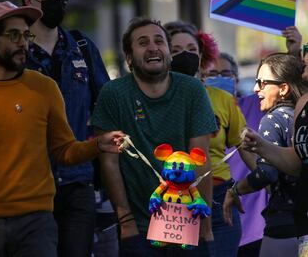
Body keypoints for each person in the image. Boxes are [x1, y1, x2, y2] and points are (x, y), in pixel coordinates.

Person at [0, 1, 125, 257]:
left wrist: (98, 145)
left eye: (26, 34)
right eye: (13, 35)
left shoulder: (44, 88)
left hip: (37, 221)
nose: (23, 43)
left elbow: (64, 151)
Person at [92, 17, 218, 256]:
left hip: (187, 224)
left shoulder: (192, 90)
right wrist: (125, 220)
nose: (153, 47)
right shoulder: (113, 94)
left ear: (169, 53)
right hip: (138, 228)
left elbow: (201, 160)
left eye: (159, 41)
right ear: (129, 57)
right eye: (142, 42)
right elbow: (109, 162)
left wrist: (206, 225)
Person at [20, 0, 111, 257]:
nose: (58, 1)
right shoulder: (16, 54)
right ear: (28, 0)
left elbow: (107, 108)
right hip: (28, 184)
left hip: (78, 181)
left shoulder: (82, 47)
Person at [165, 22, 245, 257]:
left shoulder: (221, 99)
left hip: (221, 200)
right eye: (177, 50)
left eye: (191, 49)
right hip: (175, 199)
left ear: (202, 56)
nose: (185, 55)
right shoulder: (155, 99)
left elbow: (246, 145)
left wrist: (268, 182)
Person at [224, 53, 307, 257]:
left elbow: (267, 174)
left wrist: (234, 191)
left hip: (283, 226)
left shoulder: (272, 119)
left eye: (261, 83)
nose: (255, 89)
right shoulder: (299, 116)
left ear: (283, 89)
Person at [205, 52, 267, 257]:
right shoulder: (195, 111)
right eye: (212, 73)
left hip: (254, 223)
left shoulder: (255, 106)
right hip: (212, 210)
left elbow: (286, 90)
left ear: (237, 79)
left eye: (226, 73)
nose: (220, 78)